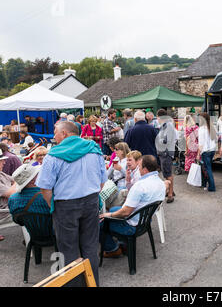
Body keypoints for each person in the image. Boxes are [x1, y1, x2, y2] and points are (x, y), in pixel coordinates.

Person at [36, 121, 107, 286]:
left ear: (65, 134)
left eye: (55, 132)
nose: (53, 136)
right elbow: (102, 182)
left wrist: (52, 206)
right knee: (90, 246)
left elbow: (45, 187)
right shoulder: (94, 150)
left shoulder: (54, 155)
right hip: (90, 202)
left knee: (68, 250)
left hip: (65, 205)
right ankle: (92, 283)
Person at [99, 155, 166, 258]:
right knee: (113, 209)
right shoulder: (161, 183)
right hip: (146, 221)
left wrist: (109, 214)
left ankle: (113, 249)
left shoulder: (140, 185)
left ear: (145, 169)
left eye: (139, 167)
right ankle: (124, 243)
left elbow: (126, 212)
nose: (138, 169)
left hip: (132, 224)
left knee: (99, 222)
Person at [156, 109, 177, 203]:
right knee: (166, 173)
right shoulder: (164, 125)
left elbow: (166, 140)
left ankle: (170, 195)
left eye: (157, 118)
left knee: (168, 174)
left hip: (166, 152)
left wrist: (157, 140)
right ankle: (169, 190)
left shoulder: (168, 125)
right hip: (164, 152)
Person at [197, 112, 217, 192]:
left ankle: (212, 187)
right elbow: (215, 139)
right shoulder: (212, 127)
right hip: (212, 150)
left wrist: (198, 154)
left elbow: (201, 144)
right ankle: (204, 183)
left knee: (207, 168)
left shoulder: (201, 129)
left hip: (205, 151)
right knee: (205, 167)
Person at [0, 150, 17, 241]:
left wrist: (15, 184)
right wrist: (17, 184)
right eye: (2, 160)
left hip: (8, 207)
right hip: (5, 212)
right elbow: (11, 194)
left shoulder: (1, 173)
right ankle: (35, 238)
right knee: (31, 210)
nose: (4, 162)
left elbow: (15, 179)